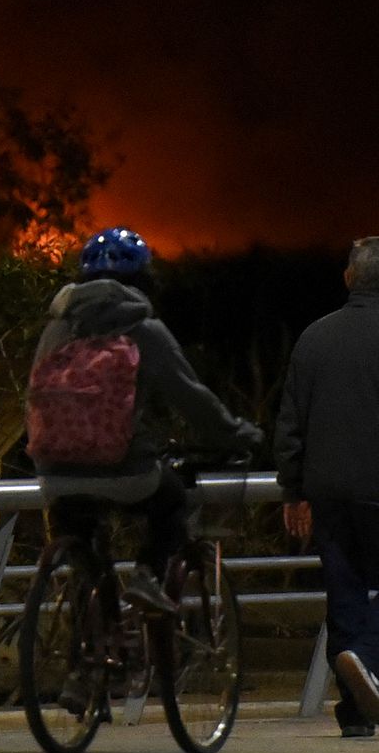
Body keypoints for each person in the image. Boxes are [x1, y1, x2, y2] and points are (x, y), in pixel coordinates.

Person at [30, 227, 262, 616]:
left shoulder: (57, 327)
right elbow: (191, 398)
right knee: (171, 501)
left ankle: (93, 637)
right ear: (143, 280)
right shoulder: (143, 330)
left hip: (53, 472)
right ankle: (146, 577)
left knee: (81, 536)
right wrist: (240, 434)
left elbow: (35, 396)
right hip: (125, 470)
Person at [275, 235, 379, 738]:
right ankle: (368, 660)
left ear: (348, 278)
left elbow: (291, 421)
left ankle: (355, 711)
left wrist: (292, 490)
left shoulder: (314, 337)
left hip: (329, 490)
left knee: (344, 592)